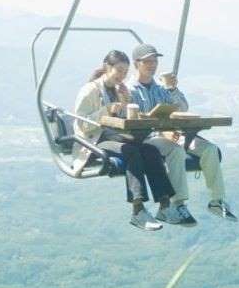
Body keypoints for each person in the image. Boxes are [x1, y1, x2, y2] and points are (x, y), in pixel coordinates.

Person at [73, 50, 183, 231]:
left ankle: (164, 205)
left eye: (125, 72)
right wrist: (107, 109)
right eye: (119, 71)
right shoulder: (90, 90)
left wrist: (125, 102)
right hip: (95, 140)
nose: (123, 76)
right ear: (107, 68)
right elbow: (82, 126)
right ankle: (138, 209)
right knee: (130, 151)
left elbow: (122, 119)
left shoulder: (119, 89)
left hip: (116, 136)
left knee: (150, 150)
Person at [128, 43, 238, 224]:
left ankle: (217, 201)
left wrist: (172, 89)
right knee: (176, 150)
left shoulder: (159, 89)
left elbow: (183, 108)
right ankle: (178, 203)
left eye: (154, 60)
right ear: (136, 63)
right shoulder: (130, 90)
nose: (152, 64)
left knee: (209, 149)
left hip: (170, 133)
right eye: (147, 61)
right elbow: (128, 117)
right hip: (149, 138)